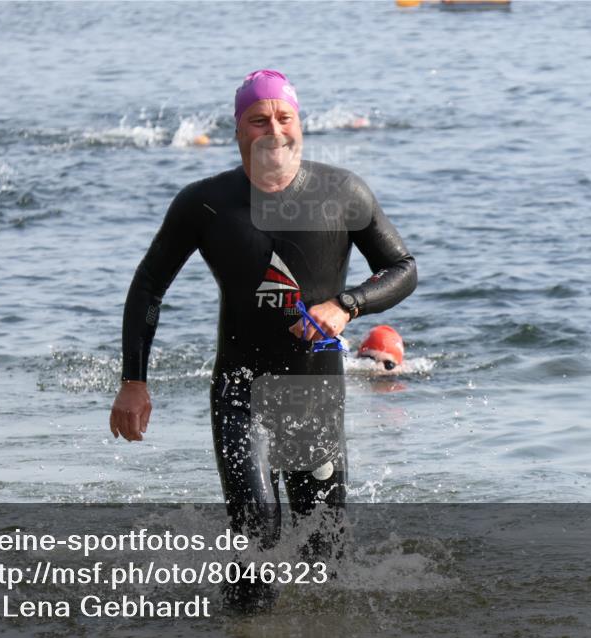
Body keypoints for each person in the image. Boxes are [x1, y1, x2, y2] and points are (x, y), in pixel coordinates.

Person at [109, 70, 417, 609]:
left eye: (284, 117)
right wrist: (134, 381)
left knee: (323, 550)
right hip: (240, 388)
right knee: (258, 530)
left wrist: (348, 305)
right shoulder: (205, 203)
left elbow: (402, 268)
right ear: (238, 132)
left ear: (299, 125)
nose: (273, 129)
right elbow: (148, 286)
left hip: (312, 392)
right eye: (259, 120)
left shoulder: (341, 192)